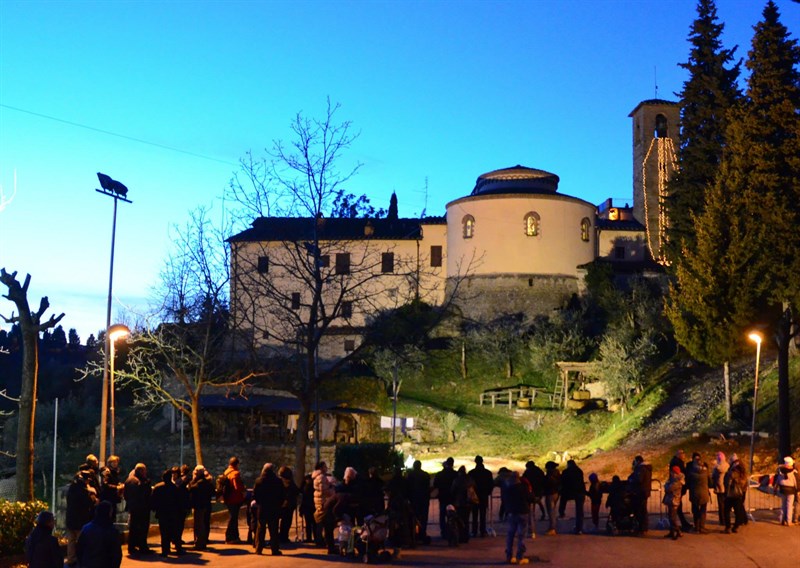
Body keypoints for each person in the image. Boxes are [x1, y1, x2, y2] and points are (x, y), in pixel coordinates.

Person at [65, 468, 98, 567]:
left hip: (70, 517)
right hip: (80, 519)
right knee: (81, 540)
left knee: (71, 540)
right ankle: (80, 558)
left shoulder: (72, 487)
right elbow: (88, 502)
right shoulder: (83, 490)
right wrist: (93, 497)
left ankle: (71, 558)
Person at [76, 500, 123, 568]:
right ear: (109, 513)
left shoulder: (86, 528)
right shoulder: (112, 531)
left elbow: (79, 550)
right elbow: (116, 555)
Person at [151, 468, 185, 557]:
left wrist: (155, 509)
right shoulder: (174, 488)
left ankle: (165, 550)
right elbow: (179, 501)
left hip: (162, 513)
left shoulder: (157, 487)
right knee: (175, 532)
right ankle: (178, 548)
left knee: (164, 533)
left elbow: (153, 501)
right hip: (173, 513)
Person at [254, 462, 285, 555]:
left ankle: (258, 549)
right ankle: (274, 549)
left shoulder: (259, 481)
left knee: (260, 529)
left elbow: (255, 495)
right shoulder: (278, 481)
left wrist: (259, 503)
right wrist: (279, 504)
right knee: (274, 530)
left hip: (262, 508)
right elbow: (282, 495)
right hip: (274, 509)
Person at [123, 463, 152, 556]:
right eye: (144, 470)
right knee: (143, 528)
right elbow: (145, 495)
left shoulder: (128, 480)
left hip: (133, 507)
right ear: (140, 471)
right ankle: (143, 546)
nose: (145, 472)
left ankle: (131, 547)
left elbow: (125, 495)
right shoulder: (141, 482)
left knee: (133, 528)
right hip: (142, 508)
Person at [504, 472, 531, 565]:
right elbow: (529, 498)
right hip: (523, 512)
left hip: (512, 513)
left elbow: (504, 500)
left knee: (510, 535)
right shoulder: (523, 488)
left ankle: (509, 556)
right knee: (521, 535)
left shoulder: (508, 489)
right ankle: (520, 557)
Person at [188, 465, 215, 550]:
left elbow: (190, 487)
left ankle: (199, 544)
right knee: (203, 524)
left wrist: (193, 478)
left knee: (199, 525)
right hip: (205, 505)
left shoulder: (200, 482)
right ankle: (201, 542)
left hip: (199, 505)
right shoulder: (207, 482)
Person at [222, 456, 247, 544]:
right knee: (233, 518)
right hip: (234, 499)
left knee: (233, 518)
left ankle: (235, 536)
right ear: (237, 464)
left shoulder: (226, 472)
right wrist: (243, 492)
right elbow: (237, 488)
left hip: (228, 498)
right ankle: (229, 537)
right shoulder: (235, 473)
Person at [312, 461, 336, 550]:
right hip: (323, 502)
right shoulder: (321, 477)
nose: (326, 468)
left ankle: (320, 540)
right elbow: (324, 490)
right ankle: (321, 541)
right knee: (325, 523)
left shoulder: (318, 477)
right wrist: (332, 488)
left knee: (320, 522)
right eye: (325, 466)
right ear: (321, 468)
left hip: (320, 502)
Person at [468, 455, 494, 538]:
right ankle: (482, 531)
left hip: (474, 496)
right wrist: (488, 492)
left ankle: (474, 531)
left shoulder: (471, 473)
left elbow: (469, 485)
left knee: (475, 515)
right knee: (483, 514)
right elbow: (491, 484)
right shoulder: (488, 473)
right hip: (484, 495)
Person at [406, 460, 431, 544]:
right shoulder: (426, 475)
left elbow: (408, 487)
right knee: (424, 518)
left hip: (414, 500)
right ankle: (422, 533)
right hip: (424, 499)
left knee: (414, 518)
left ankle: (414, 535)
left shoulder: (410, 475)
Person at [685, 452, 711, 533]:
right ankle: (702, 527)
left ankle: (697, 527)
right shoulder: (706, 472)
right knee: (703, 510)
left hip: (694, 493)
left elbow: (688, 483)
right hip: (704, 493)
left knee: (695, 510)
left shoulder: (691, 473)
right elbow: (710, 482)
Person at [433, 457, 457, 540]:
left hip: (443, 497)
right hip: (453, 498)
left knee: (442, 516)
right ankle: (453, 531)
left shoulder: (440, 474)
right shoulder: (455, 474)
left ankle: (444, 532)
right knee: (453, 515)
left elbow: (435, 485)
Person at [450, 465, 476, 544]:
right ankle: (466, 536)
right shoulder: (470, 479)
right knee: (466, 520)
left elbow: (452, 491)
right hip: (468, 503)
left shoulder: (457, 480)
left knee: (459, 520)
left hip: (459, 503)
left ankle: (461, 536)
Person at [559, 459, 585, 534]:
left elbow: (563, 482)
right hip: (580, 491)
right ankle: (579, 528)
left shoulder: (566, 472)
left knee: (563, 500)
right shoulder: (579, 471)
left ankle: (561, 512)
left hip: (569, 491)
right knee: (580, 511)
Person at [668, 449, 692, 532]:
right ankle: (677, 528)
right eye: (682, 453)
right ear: (678, 454)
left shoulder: (676, 461)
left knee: (676, 509)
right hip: (677, 490)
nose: (684, 455)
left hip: (677, 489)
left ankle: (680, 525)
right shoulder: (677, 463)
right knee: (676, 509)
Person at [627, 455, 652, 534]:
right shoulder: (646, 469)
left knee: (640, 511)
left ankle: (641, 528)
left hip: (640, 492)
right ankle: (643, 527)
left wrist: (631, 480)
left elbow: (638, 479)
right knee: (643, 510)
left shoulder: (641, 469)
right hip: (644, 492)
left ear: (638, 461)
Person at [723, 456, 747, 533]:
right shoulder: (743, 471)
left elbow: (727, 482)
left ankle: (728, 527)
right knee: (738, 511)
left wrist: (726, 490)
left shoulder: (732, 472)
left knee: (726, 510)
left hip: (731, 494)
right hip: (739, 493)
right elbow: (744, 482)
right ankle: (736, 526)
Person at [772, 456, 797, 526]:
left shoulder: (780, 471)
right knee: (789, 506)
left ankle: (782, 520)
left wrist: (775, 489)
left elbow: (777, 481)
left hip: (782, 490)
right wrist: (797, 490)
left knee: (783, 505)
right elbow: (795, 483)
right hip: (791, 490)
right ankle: (789, 521)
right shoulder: (793, 472)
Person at [278, 465, 299, 543]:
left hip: (286, 506)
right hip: (288, 505)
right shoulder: (291, 484)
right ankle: (283, 536)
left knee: (285, 522)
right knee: (286, 521)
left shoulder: (282, 483)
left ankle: (283, 536)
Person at [98, 455, 124, 519]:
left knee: (113, 514)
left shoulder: (115, 472)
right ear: (110, 463)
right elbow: (105, 484)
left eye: (116, 462)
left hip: (113, 496)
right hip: (107, 496)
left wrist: (119, 484)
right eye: (113, 462)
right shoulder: (107, 471)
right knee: (108, 514)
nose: (115, 464)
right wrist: (117, 487)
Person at [662, 466, 684, 540]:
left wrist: (666, 486)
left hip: (674, 500)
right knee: (670, 517)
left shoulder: (677, 481)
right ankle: (672, 531)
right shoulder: (673, 480)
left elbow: (669, 488)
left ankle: (677, 531)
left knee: (672, 517)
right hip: (671, 499)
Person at [543, 461, 560, 535]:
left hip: (550, 493)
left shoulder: (550, 475)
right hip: (556, 493)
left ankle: (552, 528)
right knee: (553, 511)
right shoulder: (557, 474)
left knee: (551, 512)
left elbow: (547, 483)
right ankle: (553, 527)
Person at [300, 474, 317, 543]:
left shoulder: (305, 487)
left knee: (308, 524)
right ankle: (316, 537)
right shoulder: (313, 487)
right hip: (313, 507)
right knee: (314, 523)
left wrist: (301, 509)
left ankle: (309, 538)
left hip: (307, 507)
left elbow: (303, 498)